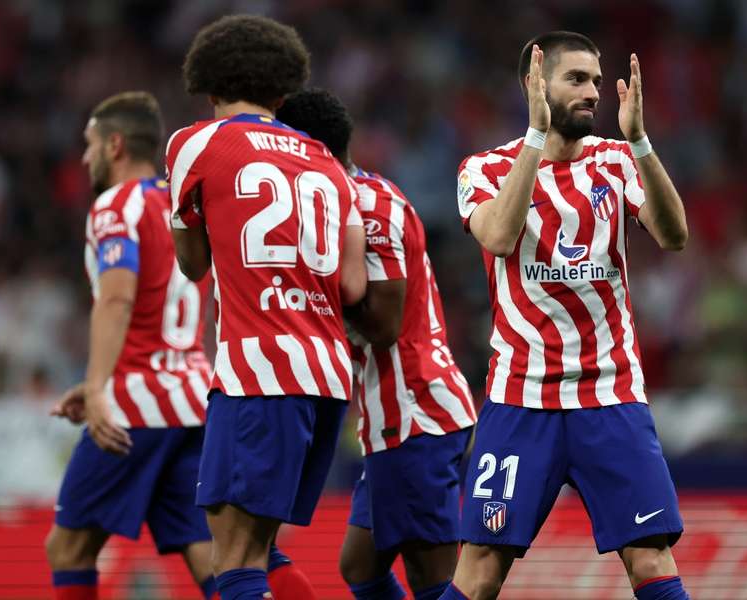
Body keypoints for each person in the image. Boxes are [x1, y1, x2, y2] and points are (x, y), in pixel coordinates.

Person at [443, 32, 691, 600]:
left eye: (597, 82)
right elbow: (500, 236)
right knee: (479, 568)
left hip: (610, 395)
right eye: (576, 80)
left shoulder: (616, 160)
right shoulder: (482, 169)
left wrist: (642, 143)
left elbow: (674, 236)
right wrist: (535, 137)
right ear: (536, 85)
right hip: (520, 399)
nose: (593, 93)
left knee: (652, 561)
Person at [166, 16, 366, 600]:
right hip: (327, 375)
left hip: (257, 372)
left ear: (209, 84)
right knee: (263, 548)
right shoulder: (329, 162)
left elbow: (193, 263)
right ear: (284, 91)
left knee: (232, 557)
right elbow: (351, 288)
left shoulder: (194, 143)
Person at [279, 89, 478, 600]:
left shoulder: (372, 206)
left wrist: (310, 291)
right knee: (359, 566)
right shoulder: (334, 207)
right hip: (386, 415)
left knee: (432, 578)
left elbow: (385, 324)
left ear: (307, 149)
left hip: (416, 411)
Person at [45, 91, 217, 599]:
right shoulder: (179, 205)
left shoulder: (115, 206)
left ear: (115, 145)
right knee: (207, 550)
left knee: (69, 548)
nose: (84, 157)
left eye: (90, 144)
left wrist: (100, 388)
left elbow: (117, 299)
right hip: (193, 399)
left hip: (136, 405)